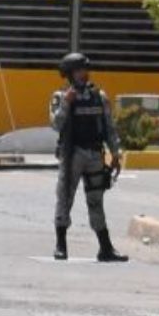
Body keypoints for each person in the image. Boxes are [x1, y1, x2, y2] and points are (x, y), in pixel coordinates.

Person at [50, 52, 127, 262]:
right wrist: (66, 103)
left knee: (96, 200)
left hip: (94, 153)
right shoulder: (60, 96)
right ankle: (61, 245)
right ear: (69, 74)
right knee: (65, 198)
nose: (84, 74)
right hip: (72, 154)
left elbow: (109, 127)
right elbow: (56, 124)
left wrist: (115, 153)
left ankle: (105, 248)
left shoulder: (98, 96)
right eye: (79, 70)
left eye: (85, 70)